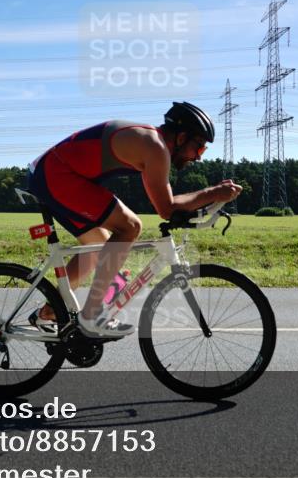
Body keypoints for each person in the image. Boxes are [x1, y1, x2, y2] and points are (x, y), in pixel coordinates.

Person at [26, 101, 242, 338]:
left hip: (53, 172)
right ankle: (92, 316)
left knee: (96, 245)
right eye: (199, 147)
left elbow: (167, 204)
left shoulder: (152, 142)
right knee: (129, 227)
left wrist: (210, 197)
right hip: (58, 174)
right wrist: (213, 194)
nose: (198, 157)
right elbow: (166, 208)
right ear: (181, 137)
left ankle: (50, 311)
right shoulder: (155, 147)